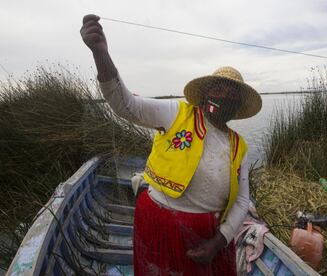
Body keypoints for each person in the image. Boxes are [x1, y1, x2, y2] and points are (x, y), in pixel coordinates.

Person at [80, 14, 262, 275]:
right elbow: (126, 106)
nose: (223, 97)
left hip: (208, 236)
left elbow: (242, 200)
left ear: (237, 108)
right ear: (206, 94)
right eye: (219, 89)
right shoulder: (176, 113)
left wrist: (219, 240)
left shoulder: (238, 146)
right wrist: (101, 54)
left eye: (232, 95)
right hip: (158, 223)